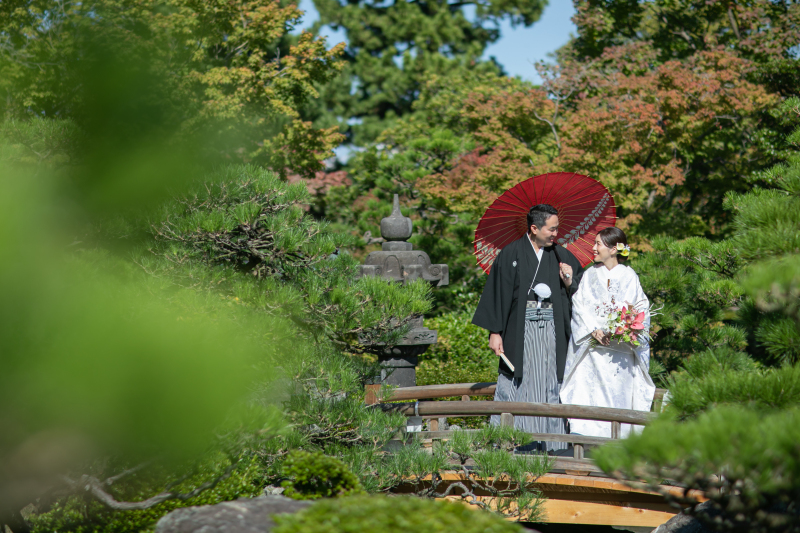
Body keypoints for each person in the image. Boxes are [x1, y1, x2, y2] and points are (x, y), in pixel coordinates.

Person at [472, 204, 584, 452]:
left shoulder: (561, 256)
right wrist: (494, 331)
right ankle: (510, 443)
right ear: (534, 228)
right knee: (516, 382)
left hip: (552, 333)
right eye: (551, 229)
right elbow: (497, 294)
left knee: (550, 383)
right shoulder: (510, 254)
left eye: (557, 229)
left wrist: (568, 281)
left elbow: (582, 292)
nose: (556, 233)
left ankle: (555, 445)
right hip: (519, 331)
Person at [559, 227, 656, 438]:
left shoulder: (629, 276)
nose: (593, 248)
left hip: (620, 353)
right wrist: (593, 329)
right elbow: (579, 304)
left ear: (614, 249)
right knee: (591, 397)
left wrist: (624, 328)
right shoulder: (590, 274)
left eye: (598, 244)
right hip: (593, 352)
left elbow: (641, 309)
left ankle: (618, 445)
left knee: (618, 397)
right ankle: (588, 445)